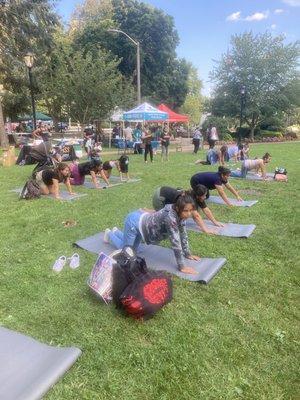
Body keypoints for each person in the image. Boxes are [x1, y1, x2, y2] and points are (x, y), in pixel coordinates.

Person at [104, 193, 200, 274]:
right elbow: (176, 242)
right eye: (186, 211)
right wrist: (182, 266)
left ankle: (116, 231)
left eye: (191, 210)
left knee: (134, 251)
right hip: (133, 223)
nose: (189, 214)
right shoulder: (171, 218)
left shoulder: (181, 215)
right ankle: (109, 234)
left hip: (141, 222)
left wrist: (187, 254)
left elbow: (183, 234)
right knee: (126, 252)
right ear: (178, 208)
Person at [152, 185, 224, 234]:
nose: (205, 197)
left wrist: (215, 222)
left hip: (166, 194)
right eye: (204, 196)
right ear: (198, 196)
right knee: (164, 219)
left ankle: (153, 211)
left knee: (178, 213)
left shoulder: (198, 196)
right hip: (160, 196)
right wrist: (206, 230)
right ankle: (151, 213)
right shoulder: (190, 199)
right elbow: (196, 216)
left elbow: (206, 210)